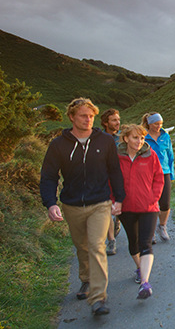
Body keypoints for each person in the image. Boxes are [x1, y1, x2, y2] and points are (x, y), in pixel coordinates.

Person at [39, 98, 125, 316]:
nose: (88, 120)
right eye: (83, 116)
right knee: (82, 246)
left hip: (100, 202)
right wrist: (50, 203)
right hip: (72, 204)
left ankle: (98, 298)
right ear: (71, 117)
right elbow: (48, 176)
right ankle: (86, 280)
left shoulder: (105, 141)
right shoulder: (58, 145)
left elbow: (114, 170)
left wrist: (119, 199)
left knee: (97, 246)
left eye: (91, 116)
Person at [115, 124, 164, 299]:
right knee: (133, 242)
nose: (139, 141)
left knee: (146, 243)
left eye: (142, 138)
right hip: (125, 208)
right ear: (126, 138)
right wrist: (114, 202)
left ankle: (145, 282)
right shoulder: (116, 158)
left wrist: (153, 198)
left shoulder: (150, 155)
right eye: (135, 137)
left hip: (149, 208)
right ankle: (139, 267)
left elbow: (159, 178)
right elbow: (110, 180)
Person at [142, 112, 174, 241]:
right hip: (148, 173)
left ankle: (162, 226)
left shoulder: (165, 136)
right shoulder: (143, 137)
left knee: (165, 203)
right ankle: (150, 231)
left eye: (160, 123)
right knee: (150, 203)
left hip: (164, 172)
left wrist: (171, 174)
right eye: (156, 124)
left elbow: (170, 156)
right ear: (149, 124)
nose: (159, 126)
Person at [100, 108, 122, 255]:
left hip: (121, 177)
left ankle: (118, 219)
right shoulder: (99, 139)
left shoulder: (122, 139)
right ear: (105, 123)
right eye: (114, 120)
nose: (118, 123)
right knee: (107, 208)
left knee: (121, 206)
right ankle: (111, 241)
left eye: (118, 120)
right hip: (104, 178)